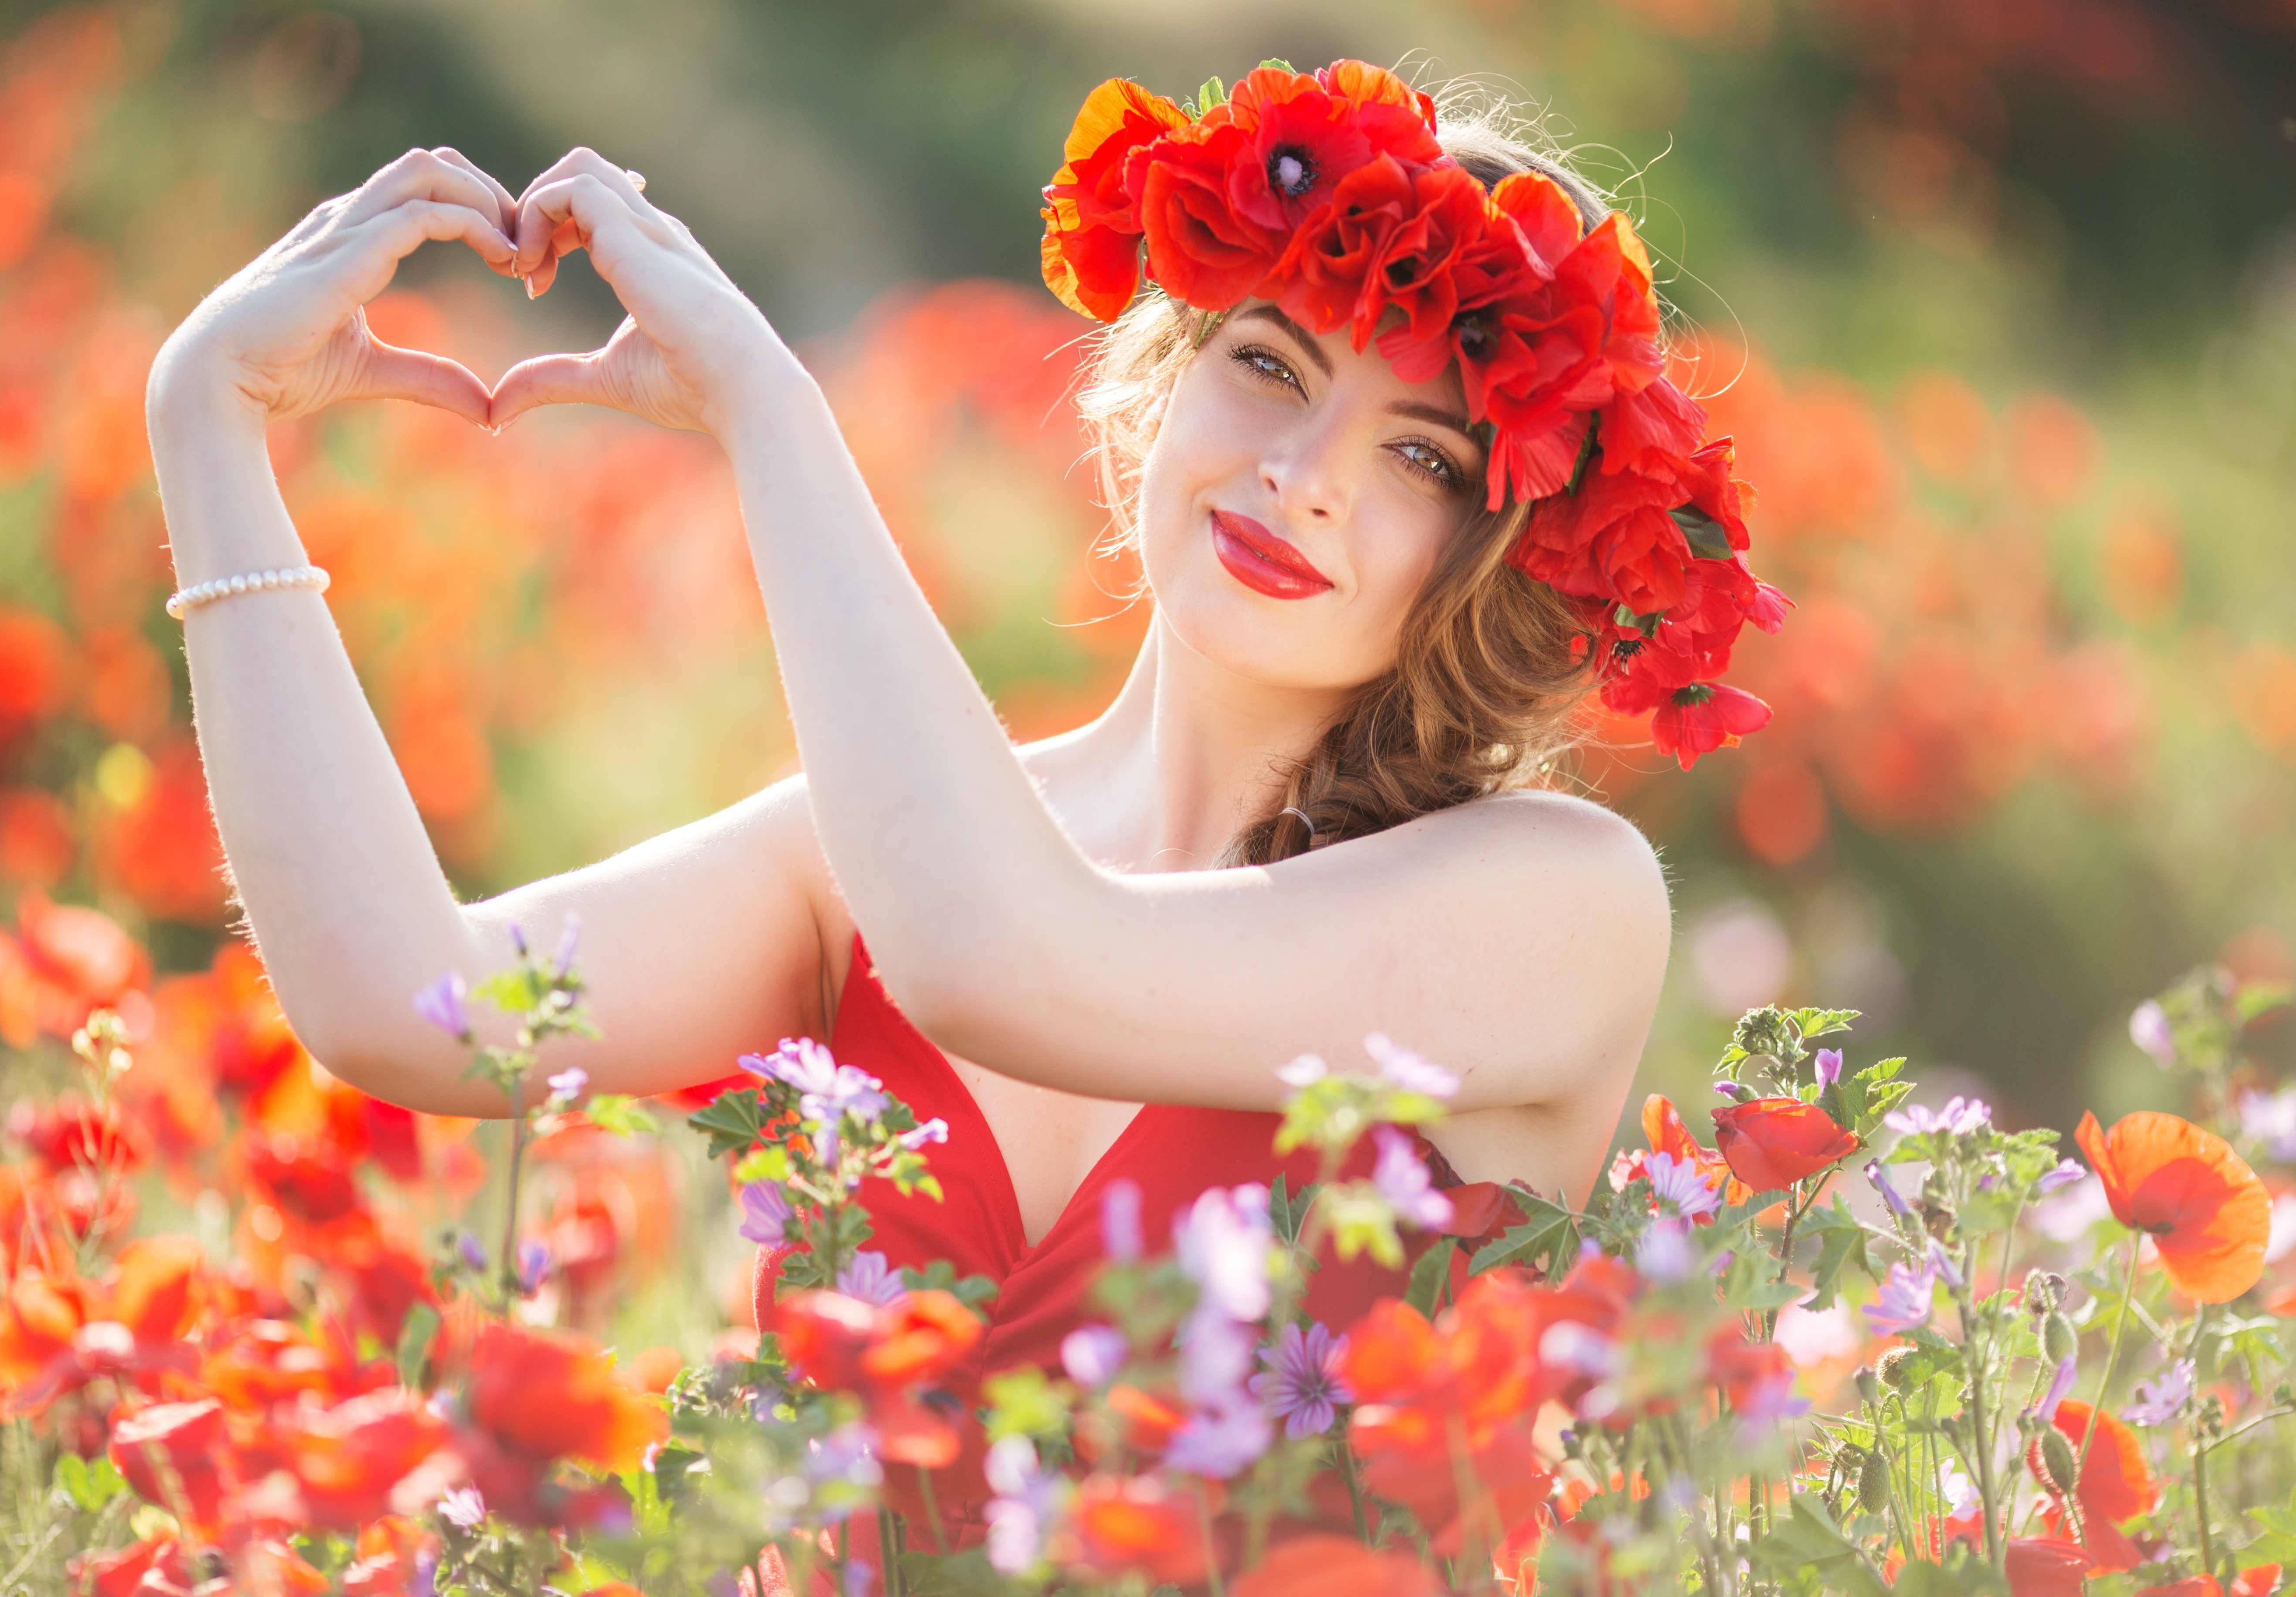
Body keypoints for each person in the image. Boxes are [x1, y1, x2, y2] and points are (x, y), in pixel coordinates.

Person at [144, 58, 1775, 1553]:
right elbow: (403, 998)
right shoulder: (869, 866)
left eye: (1424, 460)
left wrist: (772, 416)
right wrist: (209, 426)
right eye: (1271, 366)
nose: (1308, 474)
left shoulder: (1558, 897)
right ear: (1161, 378)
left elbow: (1007, 958)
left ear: (1502, 553)